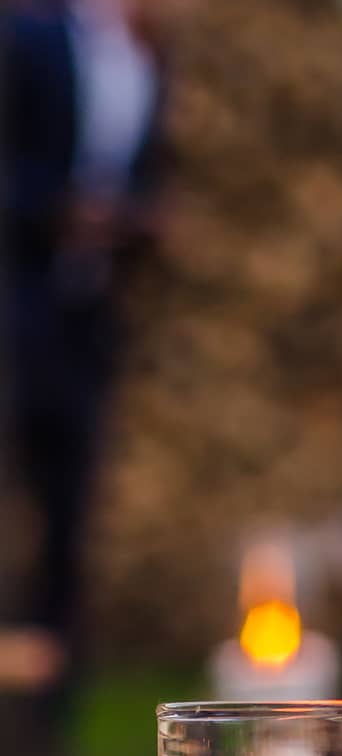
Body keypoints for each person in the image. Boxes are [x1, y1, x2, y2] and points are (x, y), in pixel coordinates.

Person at [1, 0, 172, 688]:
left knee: (68, 518)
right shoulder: (29, 35)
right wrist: (54, 208)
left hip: (86, 324)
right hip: (15, 311)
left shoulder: (151, 61)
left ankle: (49, 712)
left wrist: (138, 222)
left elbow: (140, 172)